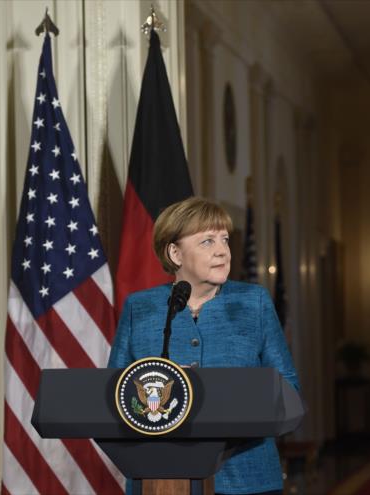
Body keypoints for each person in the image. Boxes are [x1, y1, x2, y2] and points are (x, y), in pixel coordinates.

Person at [108, 196, 299, 495]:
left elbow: (288, 391)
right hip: (161, 481)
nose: (223, 251)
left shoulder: (254, 302)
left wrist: (224, 401)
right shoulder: (140, 308)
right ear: (175, 253)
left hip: (247, 481)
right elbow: (114, 393)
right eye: (208, 241)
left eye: (225, 239)